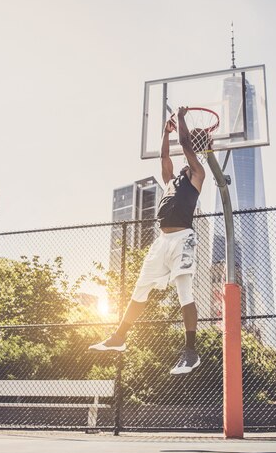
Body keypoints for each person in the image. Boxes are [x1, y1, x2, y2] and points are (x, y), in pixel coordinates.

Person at [89, 107, 208, 375]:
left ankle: (190, 352)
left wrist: (180, 118)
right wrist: (165, 132)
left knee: (184, 293)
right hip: (162, 242)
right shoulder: (171, 181)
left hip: (182, 239)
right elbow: (165, 156)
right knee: (139, 290)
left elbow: (187, 144)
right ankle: (119, 337)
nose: (185, 160)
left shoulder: (198, 174)